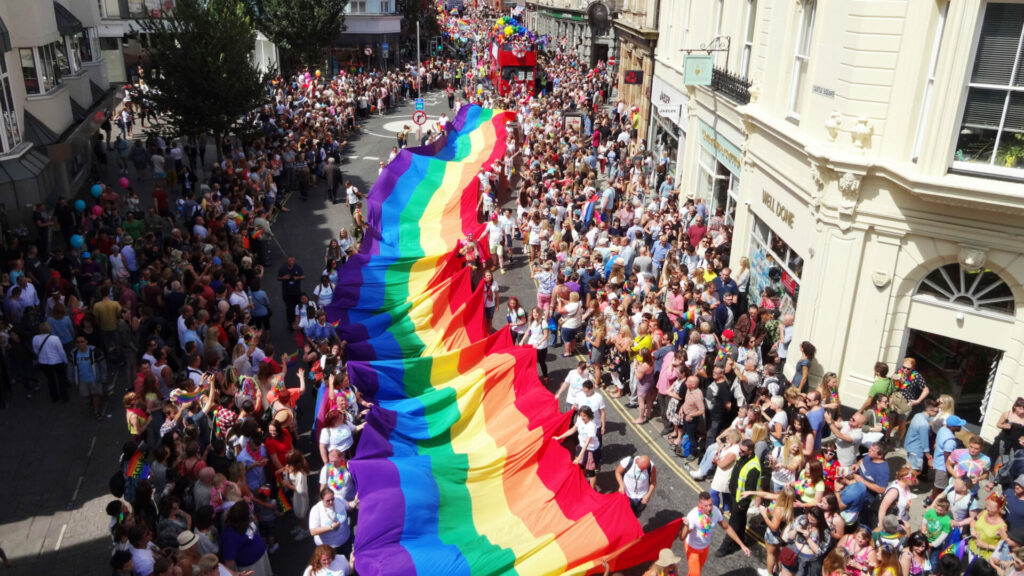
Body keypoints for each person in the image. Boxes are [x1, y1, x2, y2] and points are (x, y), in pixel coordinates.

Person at [677, 491, 750, 576]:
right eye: (706, 506)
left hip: (705, 548)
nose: (709, 508)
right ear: (700, 505)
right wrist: (686, 526)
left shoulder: (715, 511)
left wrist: (742, 545)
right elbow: (681, 538)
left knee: (696, 571)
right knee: (695, 574)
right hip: (692, 549)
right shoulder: (693, 516)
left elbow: (727, 528)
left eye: (710, 505)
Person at [715, 438, 760, 557]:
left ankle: (725, 548)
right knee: (740, 520)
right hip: (735, 495)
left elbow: (750, 489)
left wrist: (742, 504)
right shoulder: (743, 456)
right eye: (740, 449)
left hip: (740, 500)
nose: (740, 452)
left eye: (743, 451)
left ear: (750, 451)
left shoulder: (753, 468)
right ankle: (740, 538)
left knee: (733, 523)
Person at [552, 405, 601, 488]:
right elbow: (572, 430)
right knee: (581, 466)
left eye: (584, 416)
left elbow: (587, 444)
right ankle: (583, 482)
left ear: (589, 415)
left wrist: (579, 458)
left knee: (591, 471)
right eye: (581, 415)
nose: (582, 417)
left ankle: (592, 490)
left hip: (591, 450)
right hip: (582, 447)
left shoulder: (592, 425)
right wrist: (559, 437)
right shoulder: (579, 419)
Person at [308, 487, 355, 556]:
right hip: (328, 548)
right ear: (321, 499)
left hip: (345, 542)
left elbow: (348, 507)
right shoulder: (316, 510)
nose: (331, 502)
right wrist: (331, 527)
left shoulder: (338, 499)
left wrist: (356, 501)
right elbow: (313, 531)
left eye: (333, 499)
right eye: (328, 500)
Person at [278, 257, 306, 329]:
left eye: (292, 261)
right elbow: (278, 278)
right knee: (289, 309)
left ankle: (299, 322)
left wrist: (297, 278)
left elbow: (303, 276)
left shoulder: (298, 267)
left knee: (298, 307)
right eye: (290, 261)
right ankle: (290, 323)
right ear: (287, 261)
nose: (291, 262)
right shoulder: (282, 268)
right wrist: (283, 278)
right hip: (287, 293)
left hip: (296, 293)